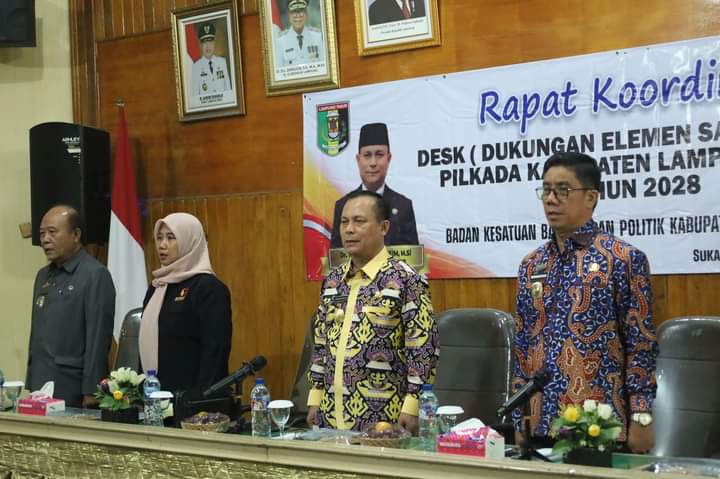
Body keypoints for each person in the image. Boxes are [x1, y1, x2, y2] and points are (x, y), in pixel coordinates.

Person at [511, 152, 658, 453]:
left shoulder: (622, 260)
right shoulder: (532, 265)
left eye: (563, 190)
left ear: (591, 197)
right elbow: (523, 346)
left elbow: (641, 345)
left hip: (599, 426)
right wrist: (518, 418)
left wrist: (641, 416)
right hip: (540, 423)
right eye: (546, 190)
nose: (551, 199)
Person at [306, 190, 438, 434]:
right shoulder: (333, 281)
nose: (349, 229)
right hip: (330, 416)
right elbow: (322, 343)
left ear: (384, 227)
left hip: (385, 422)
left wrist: (413, 404)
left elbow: (423, 347)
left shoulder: (405, 279)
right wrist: (315, 395)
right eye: (344, 222)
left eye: (359, 221)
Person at [26, 205, 115, 408]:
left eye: (52, 232)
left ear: (75, 235)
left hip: (72, 386)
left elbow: (98, 338)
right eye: (42, 234)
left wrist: (92, 390)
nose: (45, 239)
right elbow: (36, 333)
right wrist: (31, 378)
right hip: (41, 384)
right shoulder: (43, 275)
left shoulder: (95, 275)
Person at [138, 212, 232, 394]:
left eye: (171, 238)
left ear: (190, 241)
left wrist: (200, 399)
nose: (162, 245)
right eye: (159, 238)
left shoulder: (209, 288)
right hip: (155, 396)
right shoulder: (158, 286)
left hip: (193, 399)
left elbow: (215, 351)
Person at [330, 122, 419, 248]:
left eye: (379, 155)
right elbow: (337, 254)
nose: (373, 163)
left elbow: (413, 255)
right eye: (367, 155)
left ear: (388, 159)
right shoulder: (343, 205)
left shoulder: (403, 206)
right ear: (358, 160)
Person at [276, 0, 325, 67]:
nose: (298, 16)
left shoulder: (318, 38)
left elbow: (324, 66)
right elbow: (279, 70)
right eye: (294, 12)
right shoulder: (280, 42)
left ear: (306, 15)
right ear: (289, 16)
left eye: (301, 12)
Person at [191, 22, 231, 96]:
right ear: (201, 45)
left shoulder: (222, 62)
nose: (208, 46)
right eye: (205, 42)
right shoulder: (196, 67)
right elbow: (195, 95)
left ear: (214, 43)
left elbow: (228, 89)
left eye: (210, 42)